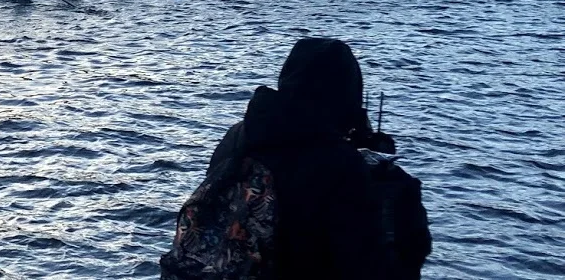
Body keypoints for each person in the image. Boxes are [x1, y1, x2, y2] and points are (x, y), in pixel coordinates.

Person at [160, 38, 430, 280]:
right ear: (348, 95)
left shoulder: (239, 137)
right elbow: (365, 265)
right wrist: (392, 190)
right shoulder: (340, 165)